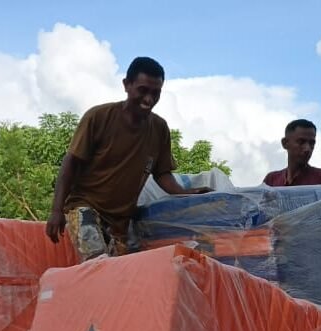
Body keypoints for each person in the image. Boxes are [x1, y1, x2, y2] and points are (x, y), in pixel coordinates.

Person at [45, 56, 208, 261]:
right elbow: (71, 162)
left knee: (123, 275)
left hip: (120, 222)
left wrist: (188, 193)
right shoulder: (98, 117)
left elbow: (162, 173)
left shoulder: (159, 129)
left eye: (155, 93)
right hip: (85, 207)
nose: (148, 99)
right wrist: (56, 210)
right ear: (126, 85)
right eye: (143, 90)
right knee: (98, 263)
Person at [262, 119, 321, 186]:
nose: (307, 149)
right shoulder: (271, 180)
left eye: (312, 143)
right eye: (301, 142)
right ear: (285, 143)